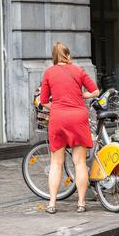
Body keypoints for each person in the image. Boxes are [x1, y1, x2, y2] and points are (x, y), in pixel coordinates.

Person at [40, 43, 100, 214]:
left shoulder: (49, 73)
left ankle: (52, 203)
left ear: (54, 56)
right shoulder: (78, 70)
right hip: (78, 117)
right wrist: (83, 95)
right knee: (80, 162)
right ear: (68, 54)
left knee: (56, 163)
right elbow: (95, 91)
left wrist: (58, 108)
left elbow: (44, 101)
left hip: (58, 118)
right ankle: (81, 203)